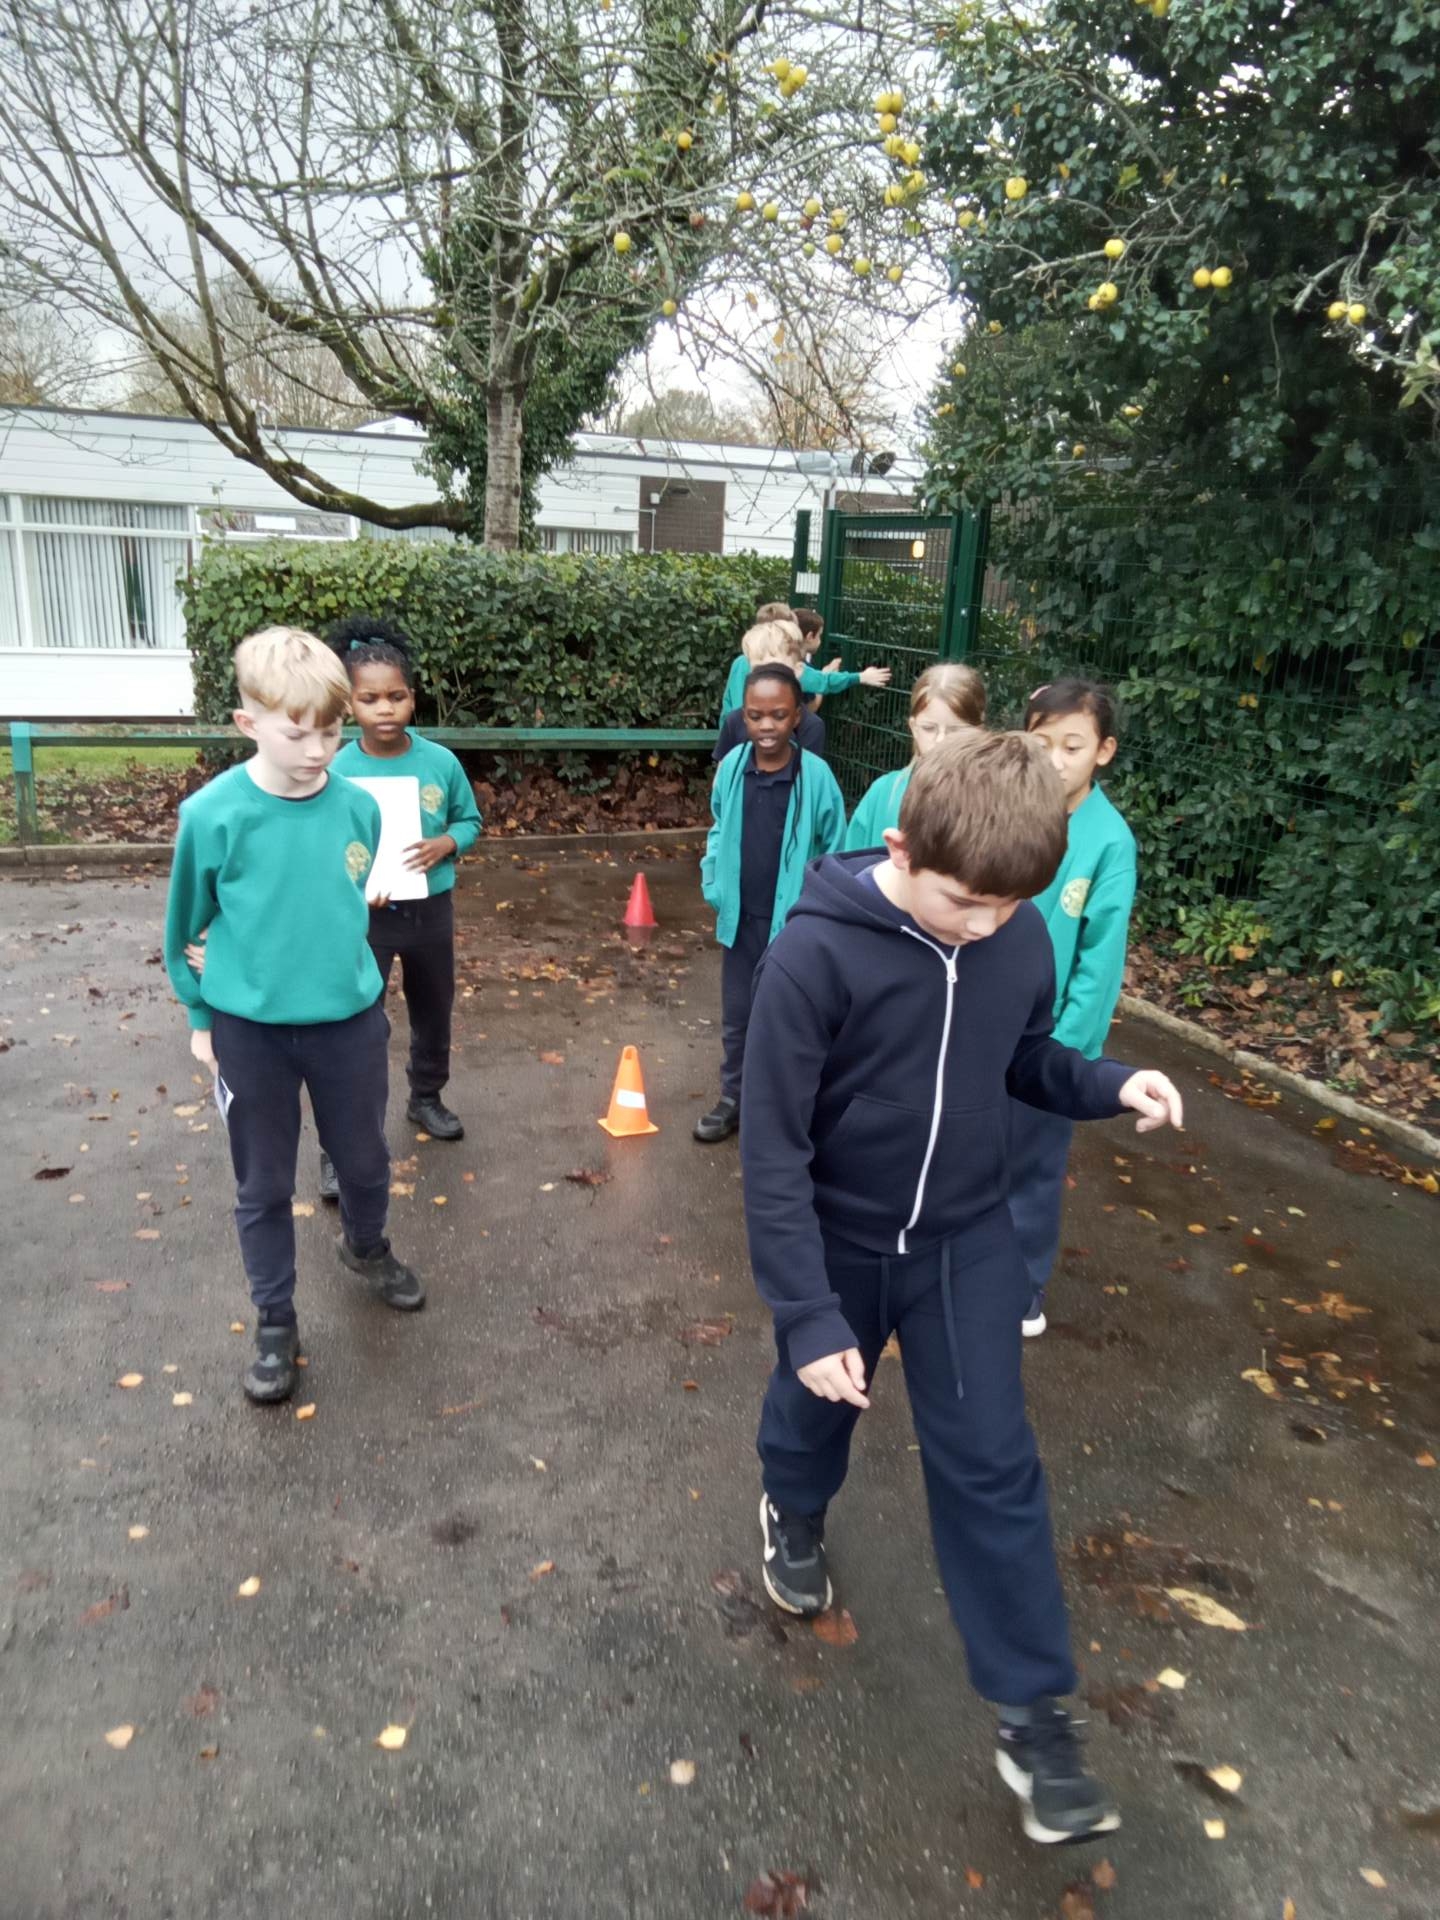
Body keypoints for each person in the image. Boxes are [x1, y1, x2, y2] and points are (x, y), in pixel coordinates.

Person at [738, 731, 1183, 1845]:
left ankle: (1035, 1719)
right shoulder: (813, 957)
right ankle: (793, 1507)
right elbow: (772, 1151)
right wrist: (807, 1315)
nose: (985, 925)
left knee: (993, 1462)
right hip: (839, 1238)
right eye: (965, 902)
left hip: (965, 1242)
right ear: (901, 849)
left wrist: (1112, 1082)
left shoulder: (1014, 934)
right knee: (816, 1402)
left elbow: (1026, 1058)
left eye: (1008, 905)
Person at [163, 626, 426, 1408]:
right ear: (248, 724)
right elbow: (186, 923)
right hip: (251, 1036)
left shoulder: (358, 806)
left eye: (332, 732)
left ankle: (366, 1248)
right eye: (296, 733)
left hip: (349, 1023)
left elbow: (345, 895)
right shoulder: (212, 815)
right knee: (265, 1184)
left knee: (365, 1161)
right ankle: (275, 1320)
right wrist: (200, 1014)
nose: (317, 751)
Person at [327, 614, 483, 1175]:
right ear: (349, 704)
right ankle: (344, 1137)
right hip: (365, 918)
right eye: (370, 699)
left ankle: (426, 1097)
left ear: (413, 699)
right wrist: (353, 886)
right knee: (357, 1021)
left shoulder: (440, 762)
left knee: (433, 1008)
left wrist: (447, 842)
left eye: (396, 696)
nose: (385, 709)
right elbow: (325, 844)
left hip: (430, 910)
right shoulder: (337, 769)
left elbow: (469, 820)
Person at [1011, 679, 1136, 1338]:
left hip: (1048, 1041)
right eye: (1042, 742)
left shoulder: (1109, 841)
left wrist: (1066, 1053)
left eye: (1072, 745)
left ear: (1103, 751)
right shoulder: (1008, 806)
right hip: (984, 1020)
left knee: (1032, 1168)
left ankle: (1023, 1288)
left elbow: (1099, 962)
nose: (1055, 760)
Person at [695, 664, 847, 1145]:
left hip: (794, 924)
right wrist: (714, 880)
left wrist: (819, 912)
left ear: (797, 716)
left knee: (791, 1018)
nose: (766, 726)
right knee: (739, 1017)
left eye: (778, 715)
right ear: (743, 716)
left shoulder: (817, 776)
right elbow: (718, 826)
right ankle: (733, 1098)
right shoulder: (732, 768)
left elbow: (834, 847)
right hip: (741, 919)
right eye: (755, 715)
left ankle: (785, 1108)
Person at [843, 662, 987, 850]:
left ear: (979, 731)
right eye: (929, 728)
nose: (941, 740)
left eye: (955, 730)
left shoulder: (994, 802)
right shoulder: (883, 793)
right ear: (914, 728)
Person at [718, 605, 891, 719]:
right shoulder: (786, 665)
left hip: (731, 738)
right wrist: (860, 677)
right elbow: (824, 682)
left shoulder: (740, 661)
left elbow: (728, 704)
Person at [712, 621, 829, 763]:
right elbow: (723, 771)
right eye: (758, 670)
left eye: (776, 669)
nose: (767, 678)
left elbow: (806, 774)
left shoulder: (810, 726)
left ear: (798, 670)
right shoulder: (735, 720)